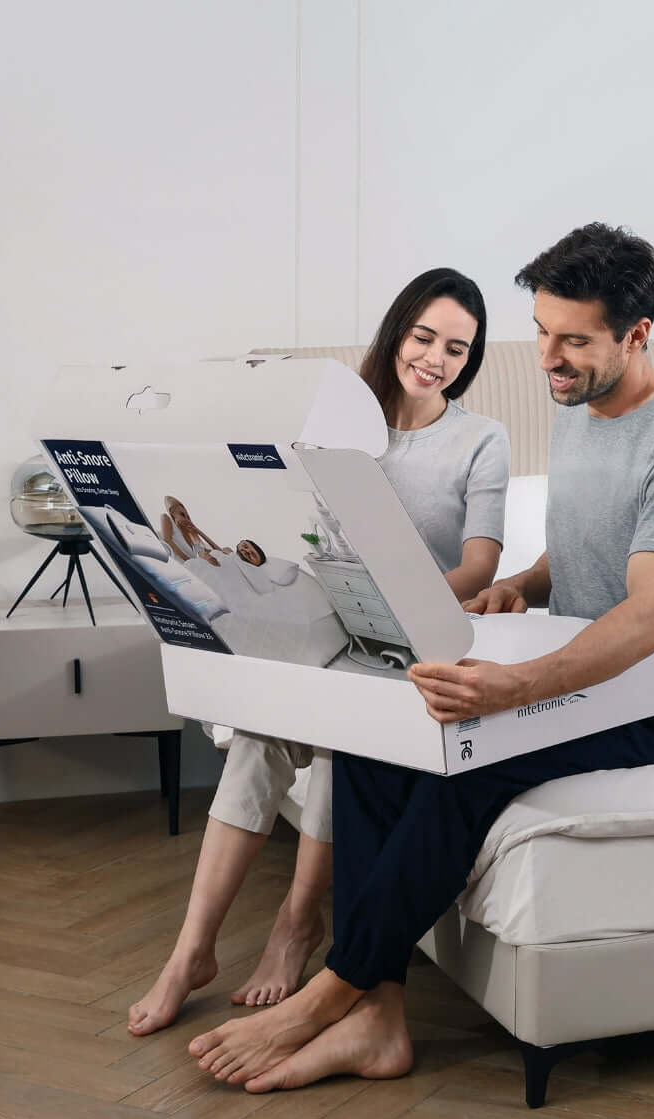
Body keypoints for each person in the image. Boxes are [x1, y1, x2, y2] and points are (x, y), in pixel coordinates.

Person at [184, 222, 654, 1092]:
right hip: (595, 671)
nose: (549, 358)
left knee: (469, 763)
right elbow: (590, 549)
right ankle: (382, 1017)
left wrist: (512, 688)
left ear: (637, 336)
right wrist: (520, 584)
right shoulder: (586, 408)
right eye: (542, 333)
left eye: (574, 340)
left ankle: (335, 990)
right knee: (388, 736)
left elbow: (650, 618)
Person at [127, 268, 510, 1035]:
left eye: (457, 349)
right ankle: (190, 952)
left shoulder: (480, 440)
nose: (435, 359)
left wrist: (405, 591)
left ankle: (298, 925)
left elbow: (480, 566)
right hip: (317, 621)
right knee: (255, 745)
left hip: (403, 637)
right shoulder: (332, 426)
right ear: (398, 331)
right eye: (424, 337)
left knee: (342, 739)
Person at [161, 496, 229, 567]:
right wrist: (188, 560)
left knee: (225, 551)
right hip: (184, 566)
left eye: (188, 518)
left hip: (192, 566)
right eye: (182, 514)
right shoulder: (166, 517)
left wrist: (198, 531)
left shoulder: (194, 546)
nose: (186, 519)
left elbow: (223, 553)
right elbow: (167, 540)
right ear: (172, 512)